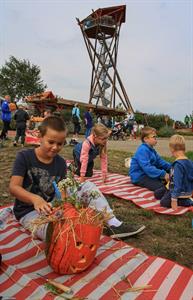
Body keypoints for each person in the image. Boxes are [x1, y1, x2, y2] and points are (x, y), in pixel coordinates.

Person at [9, 116, 145, 240]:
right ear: (40, 136)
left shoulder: (61, 162)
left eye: (60, 144)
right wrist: (35, 199)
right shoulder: (24, 157)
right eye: (51, 142)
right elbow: (14, 187)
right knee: (58, 234)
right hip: (29, 212)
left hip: (52, 204)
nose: (55, 147)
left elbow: (62, 189)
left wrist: (65, 205)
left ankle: (113, 223)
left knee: (87, 186)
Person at [129, 127, 171, 199]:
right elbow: (147, 168)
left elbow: (161, 162)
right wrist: (163, 174)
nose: (156, 139)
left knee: (168, 174)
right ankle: (171, 195)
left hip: (147, 174)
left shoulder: (151, 150)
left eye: (156, 137)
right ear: (145, 139)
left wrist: (173, 167)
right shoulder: (142, 150)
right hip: (140, 176)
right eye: (154, 137)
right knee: (160, 186)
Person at [160, 135, 193, 209]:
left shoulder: (178, 165)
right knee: (157, 194)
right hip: (187, 191)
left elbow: (177, 183)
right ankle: (185, 199)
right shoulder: (190, 162)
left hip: (179, 193)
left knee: (163, 202)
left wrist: (174, 200)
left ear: (172, 149)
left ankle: (186, 202)